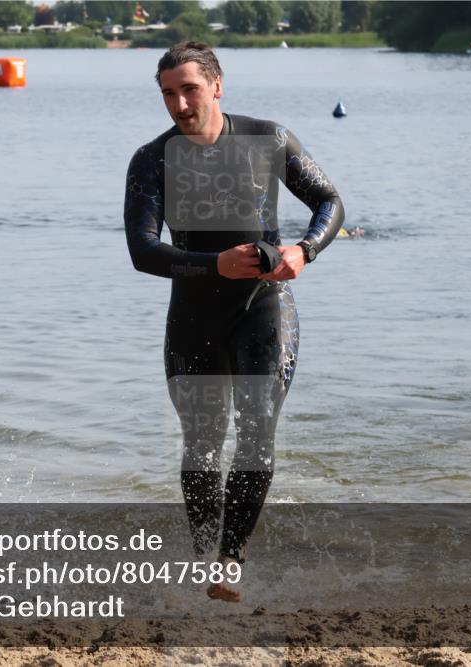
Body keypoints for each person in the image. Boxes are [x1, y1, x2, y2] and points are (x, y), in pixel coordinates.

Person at [124, 42, 344, 602]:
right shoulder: (152, 159)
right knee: (201, 443)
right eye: (168, 93)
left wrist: (304, 251)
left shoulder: (268, 139)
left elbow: (330, 202)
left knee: (255, 433)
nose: (178, 103)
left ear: (217, 86)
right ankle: (202, 556)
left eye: (188, 89)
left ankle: (229, 559)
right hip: (194, 316)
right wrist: (213, 264)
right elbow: (143, 251)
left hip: (264, 310)